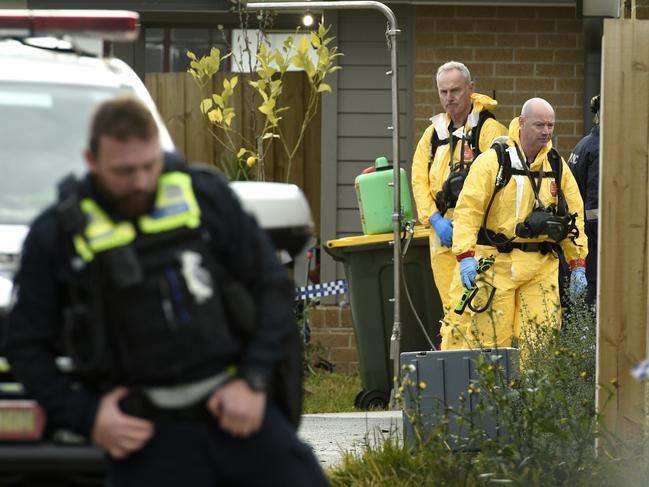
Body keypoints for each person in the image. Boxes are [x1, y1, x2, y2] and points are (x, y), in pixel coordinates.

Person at [5, 97, 329, 487]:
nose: (140, 182)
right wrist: (87, 417)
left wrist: (253, 379)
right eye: (124, 171)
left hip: (236, 413)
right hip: (143, 434)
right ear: (91, 161)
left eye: (149, 166)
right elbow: (24, 344)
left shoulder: (205, 197)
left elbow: (273, 289)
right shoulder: (58, 234)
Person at [442, 97, 588, 350]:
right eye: (539, 125)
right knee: (489, 341)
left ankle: (531, 390)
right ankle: (492, 390)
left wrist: (577, 263)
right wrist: (465, 256)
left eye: (550, 126)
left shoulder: (556, 165)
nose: (546, 132)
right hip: (495, 264)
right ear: (521, 123)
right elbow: (468, 210)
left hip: (541, 266)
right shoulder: (493, 162)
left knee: (541, 340)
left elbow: (574, 216)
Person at [411, 61, 507, 316]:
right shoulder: (433, 135)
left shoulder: (488, 130)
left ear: (470, 88)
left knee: (479, 308)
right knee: (451, 307)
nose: (449, 98)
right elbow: (418, 180)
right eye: (443, 92)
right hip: (443, 231)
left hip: (479, 232)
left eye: (455, 90)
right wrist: (434, 219)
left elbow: (501, 180)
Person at [567, 94, 600, 305]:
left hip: (579, 239)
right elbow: (595, 210)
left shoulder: (585, 143)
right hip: (593, 245)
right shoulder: (601, 149)